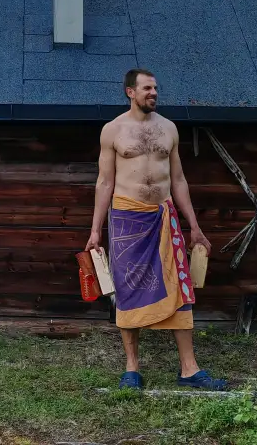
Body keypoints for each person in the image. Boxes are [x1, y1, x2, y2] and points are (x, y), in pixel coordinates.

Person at [85, 68, 227, 390]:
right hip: (127, 219)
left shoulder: (169, 129)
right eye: (147, 88)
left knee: (180, 287)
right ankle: (131, 368)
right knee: (128, 288)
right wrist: (95, 230)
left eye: (156, 88)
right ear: (129, 92)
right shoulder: (113, 131)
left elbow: (178, 180)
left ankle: (189, 369)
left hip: (165, 218)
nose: (154, 93)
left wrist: (195, 226)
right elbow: (105, 182)